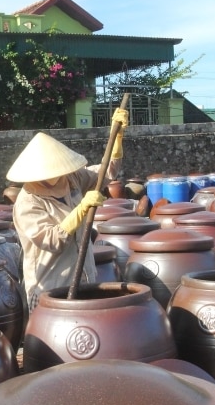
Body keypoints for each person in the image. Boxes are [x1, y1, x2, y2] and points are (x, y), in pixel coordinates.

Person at [7, 109, 129, 310]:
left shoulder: (72, 179)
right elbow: (52, 240)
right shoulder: (28, 202)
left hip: (85, 278)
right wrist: (81, 209)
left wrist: (117, 139)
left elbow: (107, 172)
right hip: (51, 287)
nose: (58, 177)